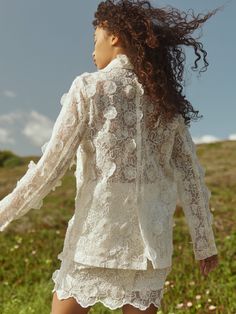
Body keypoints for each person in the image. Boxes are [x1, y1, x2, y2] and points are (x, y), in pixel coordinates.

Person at [0, 0, 222, 313]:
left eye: (95, 40)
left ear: (115, 36)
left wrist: (3, 213)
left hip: (94, 242)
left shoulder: (89, 89)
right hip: (150, 251)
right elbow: (191, 177)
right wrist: (205, 244)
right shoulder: (166, 103)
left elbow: (48, 169)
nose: (93, 52)